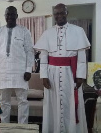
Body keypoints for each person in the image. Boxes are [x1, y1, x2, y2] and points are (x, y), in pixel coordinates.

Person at [33, 3, 90, 133]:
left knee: (70, 102)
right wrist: (44, 76)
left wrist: (80, 76)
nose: (59, 16)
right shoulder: (48, 33)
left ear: (66, 13)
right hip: (52, 73)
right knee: (53, 104)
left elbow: (81, 56)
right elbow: (44, 56)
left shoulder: (78, 31)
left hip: (70, 73)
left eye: (61, 13)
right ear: (54, 15)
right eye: (56, 13)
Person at [0, 6, 34, 124]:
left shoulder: (24, 31)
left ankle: (22, 127)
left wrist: (28, 69)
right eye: (7, 14)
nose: (10, 17)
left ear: (17, 16)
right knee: (4, 102)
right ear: (5, 16)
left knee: (22, 101)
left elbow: (29, 51)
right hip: (3, 71)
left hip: (20, 72)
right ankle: (4, 127)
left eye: (12, 14)